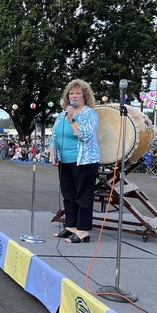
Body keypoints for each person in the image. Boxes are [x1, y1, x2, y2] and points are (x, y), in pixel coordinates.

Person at [49, 79, 100, 244]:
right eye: (71, 93)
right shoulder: (61, 115)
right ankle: (70, 226)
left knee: (83, 196)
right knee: (68, 194)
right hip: (65, 160)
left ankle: (83, 230)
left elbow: (85, 135)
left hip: (84, 161)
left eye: (78, 93)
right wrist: (52, 153)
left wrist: (72, 119)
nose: (74, 96)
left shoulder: (89, 114)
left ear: (85, 96)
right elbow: (54, 135)